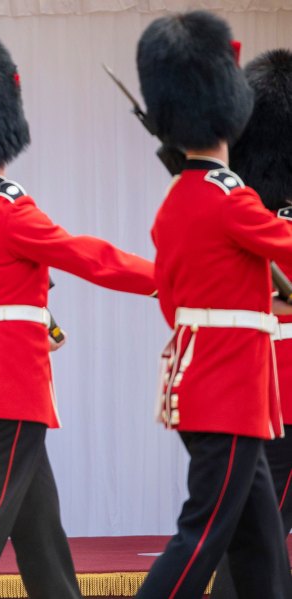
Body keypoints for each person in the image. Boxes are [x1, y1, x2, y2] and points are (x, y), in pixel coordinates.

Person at [0, 29, 156, 599]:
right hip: (9, 387)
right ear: (1, 136)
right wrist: (169, 280)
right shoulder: (11, 211)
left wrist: (32, 322)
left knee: (37, 522)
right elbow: (88, 257)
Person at [135, 12, 292, 598]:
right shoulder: (230, 197)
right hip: (228, 391)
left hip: (206, 385)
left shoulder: (181, 198)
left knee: (260, 549)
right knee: (200, 539)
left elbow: (171, 298)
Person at [209, 47, 292, 599]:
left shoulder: (240, 213)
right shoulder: (245, 218)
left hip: (256, 383)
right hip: (274, 387)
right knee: (261, 528)